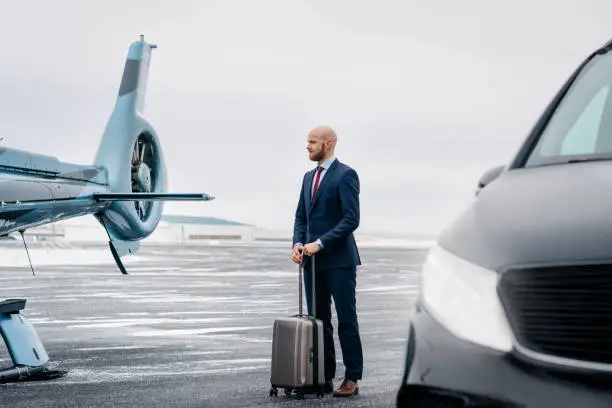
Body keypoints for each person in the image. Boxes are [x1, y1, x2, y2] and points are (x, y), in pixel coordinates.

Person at [291, 125, 363, 398]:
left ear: (328, 143)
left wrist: (319, 243)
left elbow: (350, 219)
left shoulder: (346, 175)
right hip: (311, 263)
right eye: (307, 141)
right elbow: (301, 218)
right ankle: (324, 377)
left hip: (340, 261)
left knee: (346, 319)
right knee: (319, 321)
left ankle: (352, 378)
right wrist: (298, 244)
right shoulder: (308, 177)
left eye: (312, 142)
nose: (307, 146)